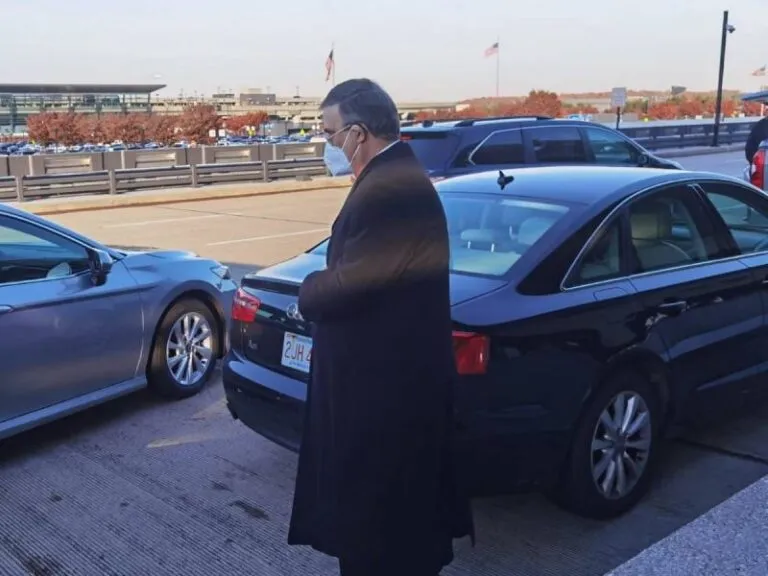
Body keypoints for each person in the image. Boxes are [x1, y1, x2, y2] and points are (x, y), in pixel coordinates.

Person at [288, 78, 474, 576]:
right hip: (385, 387)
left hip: (385, 400)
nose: (327, 144)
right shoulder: (394, 181)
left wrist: (309, 288)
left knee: (383, 536)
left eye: (330, 133)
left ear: (358, 132)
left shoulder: (392, 191)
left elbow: (356, 281)